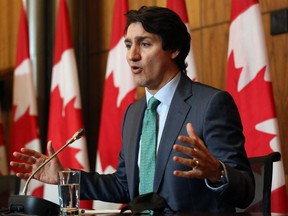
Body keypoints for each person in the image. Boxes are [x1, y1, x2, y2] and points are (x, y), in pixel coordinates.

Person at [10, 6, 255, 213]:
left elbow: (245, 190)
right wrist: (65, 176)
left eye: (145, 44)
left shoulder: (211, 104)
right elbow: (124, 187)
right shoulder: (135, 112)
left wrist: (217, 172)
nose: (132, 55)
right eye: (128, 45)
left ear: (174, 49)